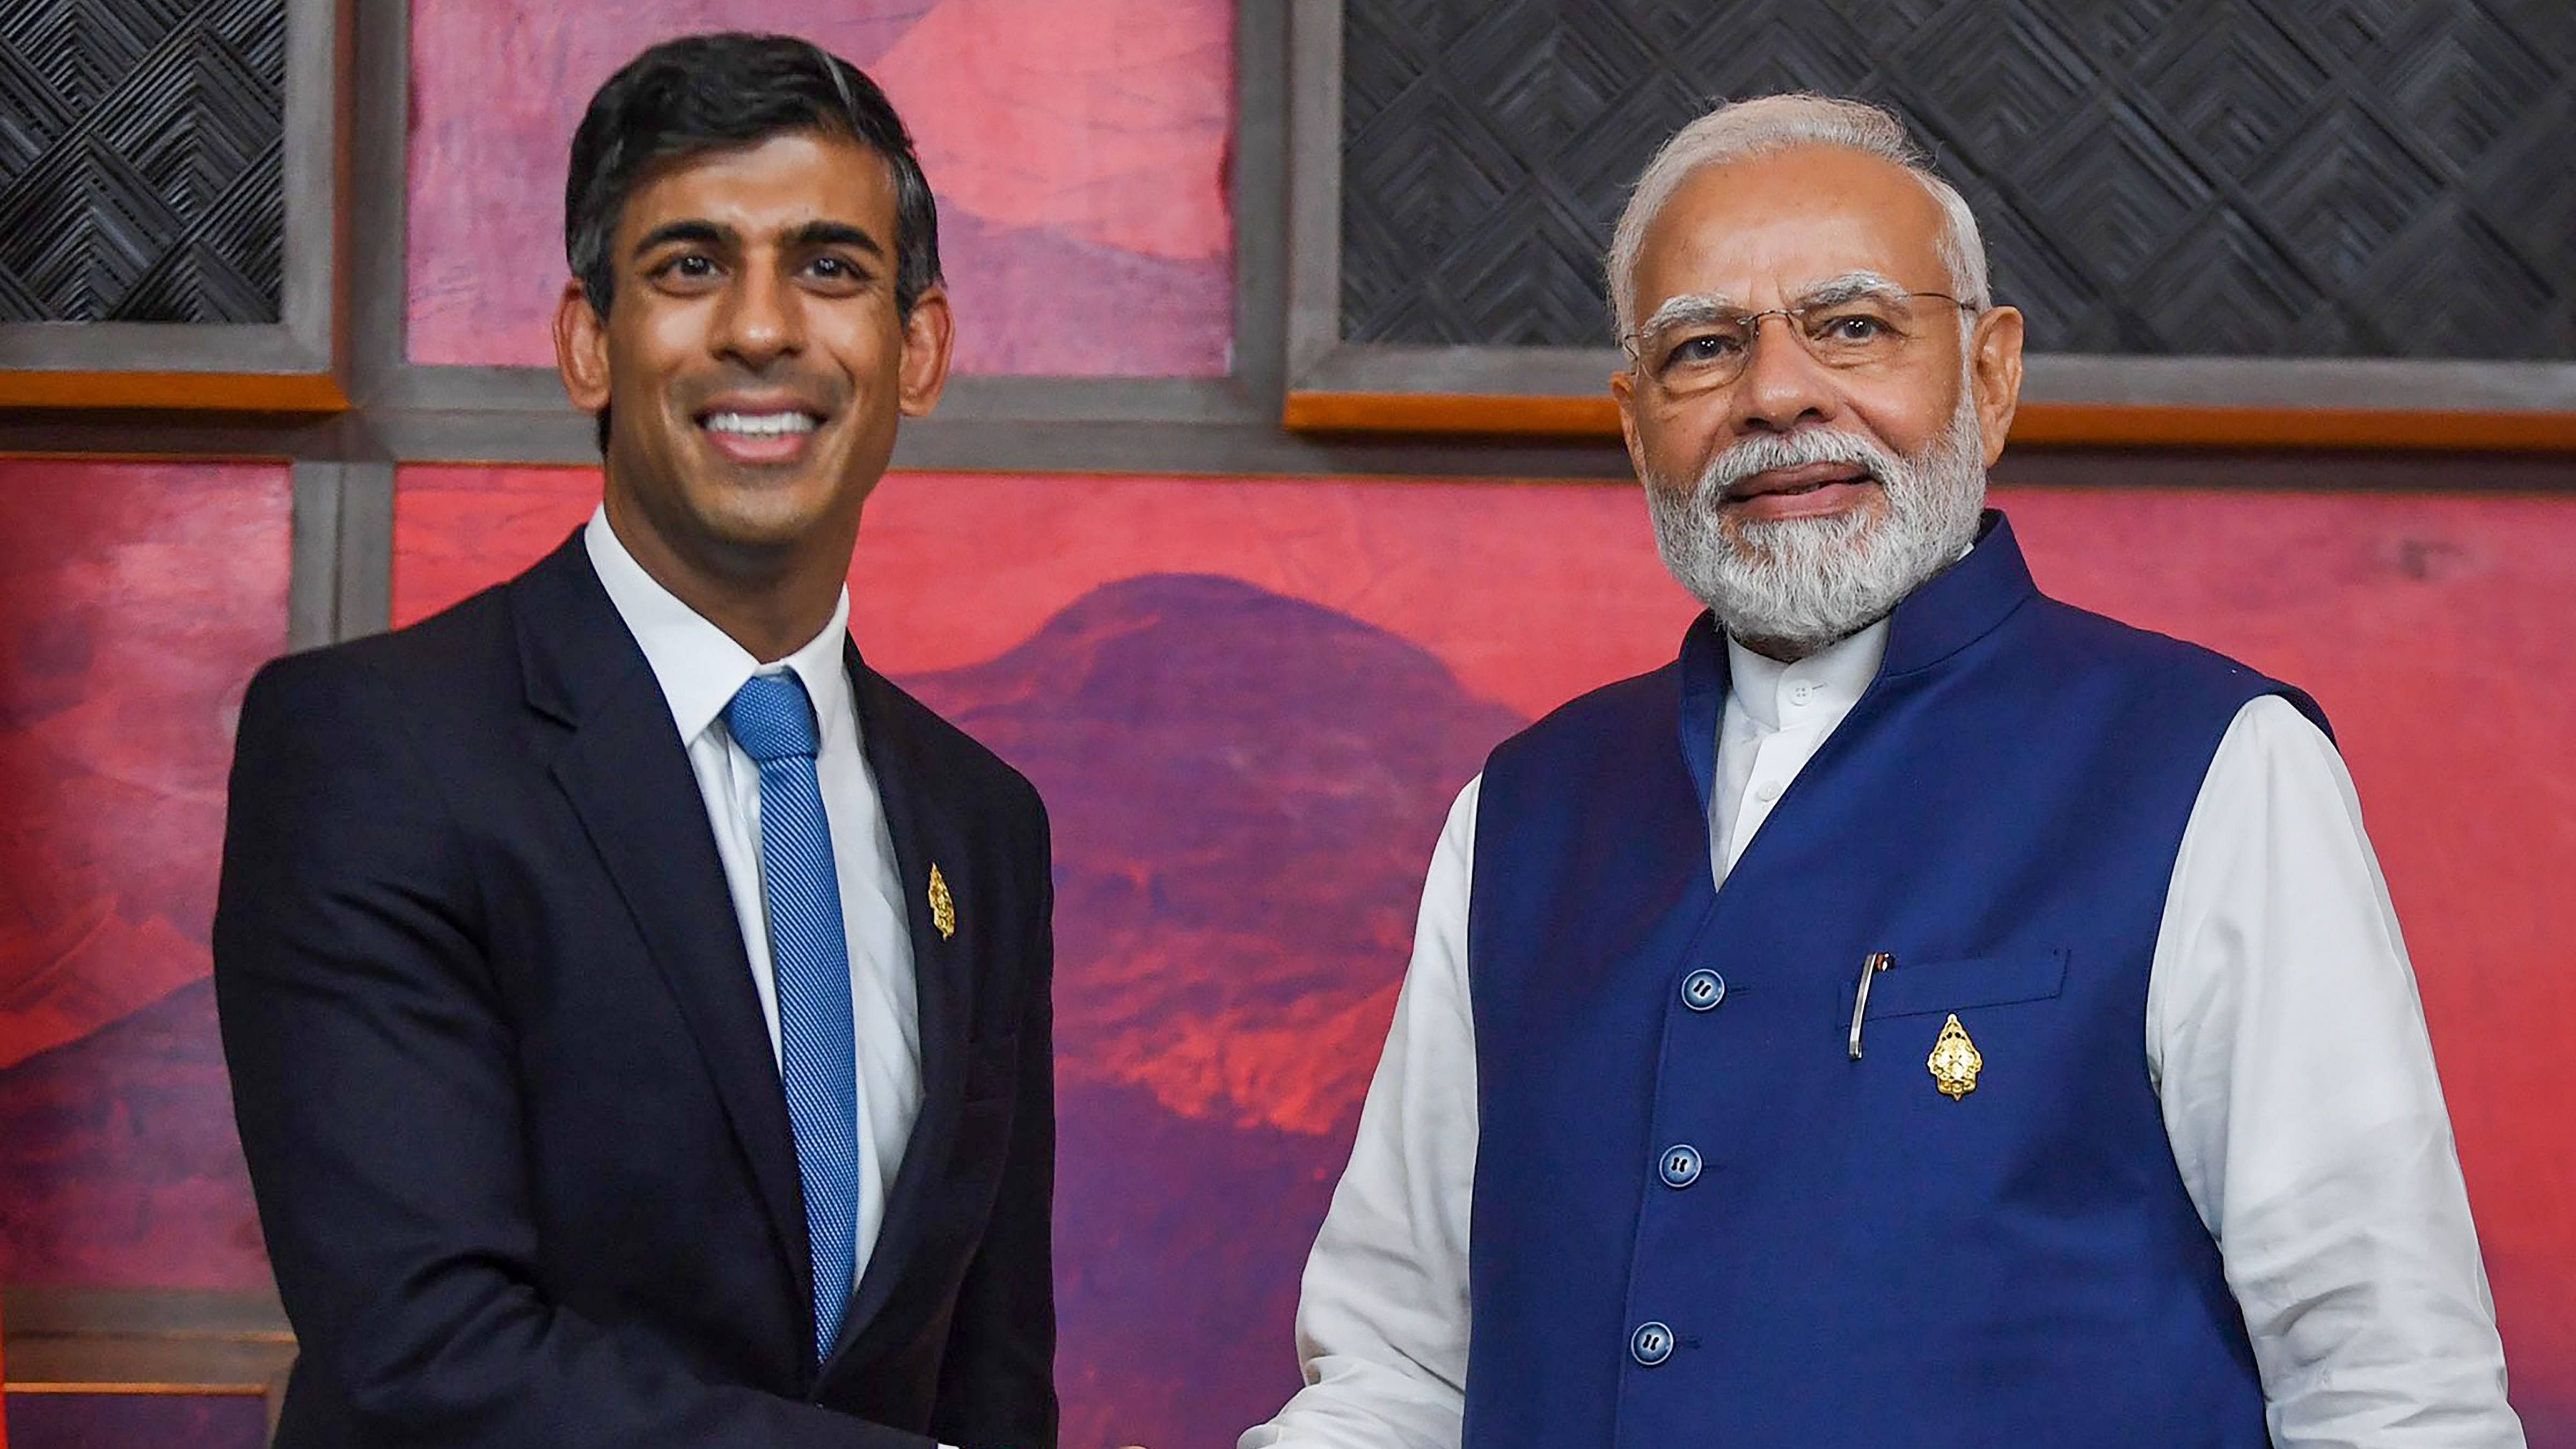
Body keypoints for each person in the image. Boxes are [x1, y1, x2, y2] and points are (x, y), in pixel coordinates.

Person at [1242, 94, 2522, 1447]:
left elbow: (2386, 1382)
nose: (1777, 393)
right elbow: (1397, 1371)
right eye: (1703, 349)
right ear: (1634, 426)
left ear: (1988, 377)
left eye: (1853, 327)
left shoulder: (2214, 767)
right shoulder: (1523, 814)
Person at [215, 34, 1054, 1448]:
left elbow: (991, 1363)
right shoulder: (371, 752)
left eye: (832, 267)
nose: (763, 329)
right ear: (589, 341)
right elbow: (424, 1349)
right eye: (690, 266)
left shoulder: (984, 822)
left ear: (917, 350)